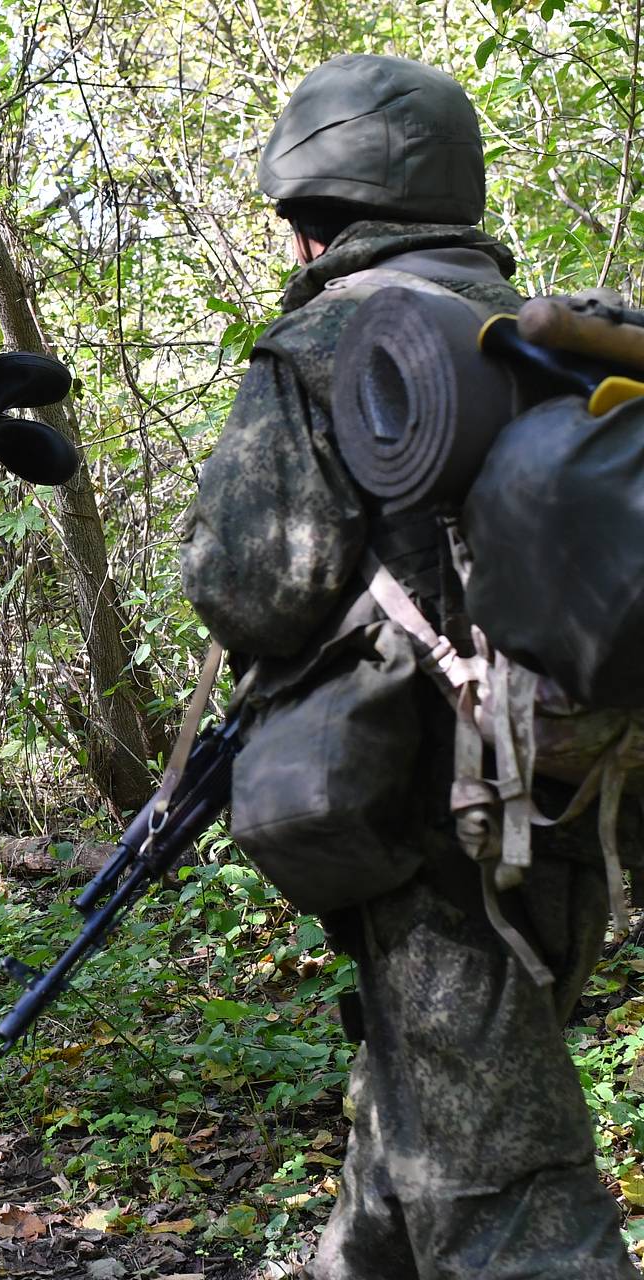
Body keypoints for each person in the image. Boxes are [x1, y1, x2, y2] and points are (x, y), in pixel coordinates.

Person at [181, 54, 637, 1278]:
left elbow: (247, 589)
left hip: (431, 817)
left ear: (307, 218)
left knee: (506, 1196)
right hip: (571, 784)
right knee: (424, 1108)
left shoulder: (323, 342)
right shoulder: (548, 331)